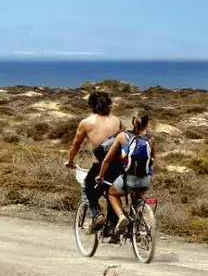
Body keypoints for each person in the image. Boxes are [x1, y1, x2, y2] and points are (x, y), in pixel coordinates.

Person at [64, 89, 124, 233]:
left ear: (91, 105)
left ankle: (97, 214)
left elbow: (75, 145)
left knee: (89, 187)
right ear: (109, 104)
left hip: (100, 165)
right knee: (113, 192)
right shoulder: (118, 122)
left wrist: (70, 161)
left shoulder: (86, 123)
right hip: (118, 164)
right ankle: (112, 228)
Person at [98, 110, 154, 240]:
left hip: (129, 179)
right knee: (137, 200)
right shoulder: (151, 139)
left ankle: (122, 217)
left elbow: (107, 160)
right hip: (145, 180)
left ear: (133, 121)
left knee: (112, 193)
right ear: (147, 124)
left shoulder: (122, 137)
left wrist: (101, 176)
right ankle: (138, 228)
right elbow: (152, 160)